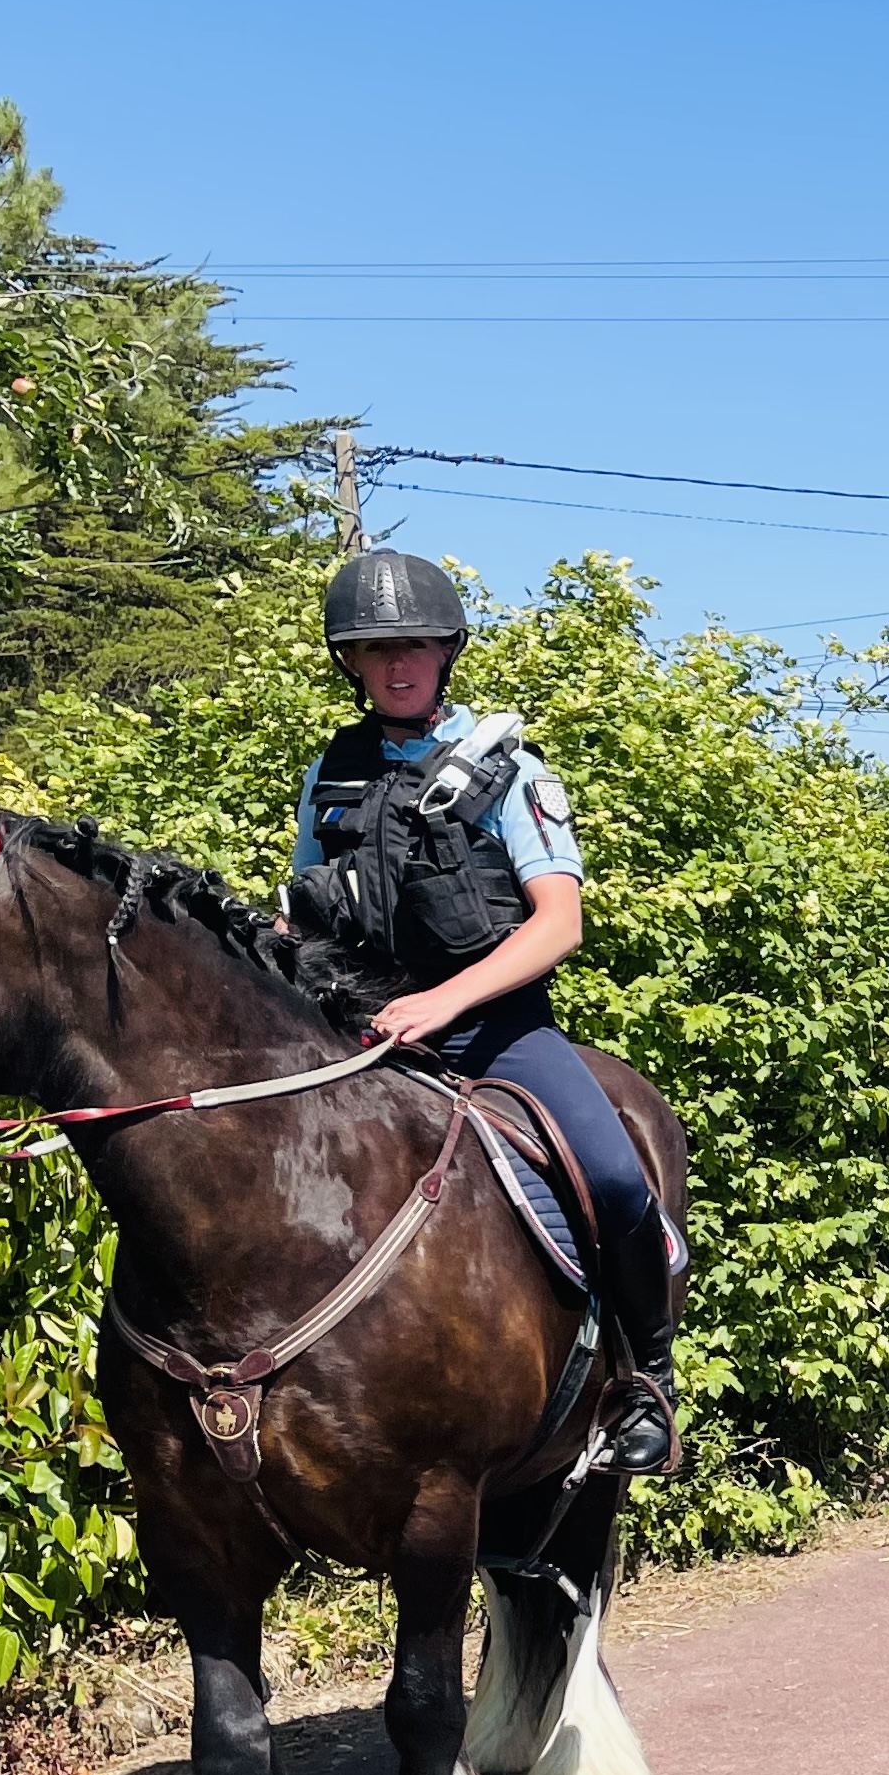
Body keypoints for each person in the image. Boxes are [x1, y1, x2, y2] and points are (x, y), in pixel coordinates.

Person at [286, 549, 680, 1473]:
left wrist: (443, 1001)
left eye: (414, 645)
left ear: (446, 650)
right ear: (350, 663)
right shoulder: (330, 773)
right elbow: (300, 902)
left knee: (618, 1180)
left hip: (497, 1032)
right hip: (363, 1029)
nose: (395, 666)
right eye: (373, 650)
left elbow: (559, 925)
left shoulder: (513, 775)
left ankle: (647, 1383)